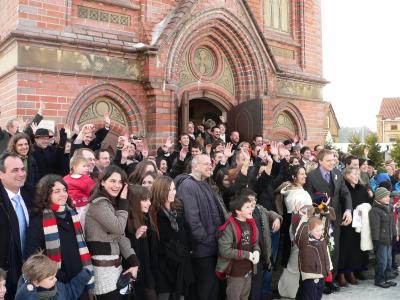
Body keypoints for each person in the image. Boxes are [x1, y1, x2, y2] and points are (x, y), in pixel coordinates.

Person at [26, 175, 93, 300]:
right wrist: (58, 275)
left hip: (79, 278)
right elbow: (34, 256)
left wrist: (84, 274)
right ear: (46, 195)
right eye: (57, 191)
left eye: (64, 190)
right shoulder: (39, 220)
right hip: (57, 283)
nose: (63, 194)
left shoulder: (72, 215)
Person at [85, 166, 139, 299]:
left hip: (115, 267)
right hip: (103, 271)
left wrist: (134, 262)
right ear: (102, 182)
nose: (117, 185)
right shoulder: (98, 203)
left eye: (120, 182)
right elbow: (119, 228)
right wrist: (123, 202)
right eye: (112, 181)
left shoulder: (110, 203)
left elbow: (120, 236)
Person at [175, 154, 225, 300]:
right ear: (195, 166)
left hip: (212, 247)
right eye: (206, 164)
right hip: (201, 250)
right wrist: (210, 241)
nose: (210, 166)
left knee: (213, 289)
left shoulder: (205, 183)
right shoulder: (187, 186)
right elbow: (193, 222)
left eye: (211, 163)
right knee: (205, 290)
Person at [305, 149, 352, 293]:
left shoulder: (338, 173)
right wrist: (321, 205)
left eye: (333, 160)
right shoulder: (311, 176)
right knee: (321, 249)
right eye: (328, 160)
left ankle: (332, 278)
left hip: (335, 218)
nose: (332, 163)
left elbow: (345, 193)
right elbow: (308, 198)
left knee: (334, 249)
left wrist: (348, 210)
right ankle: (321, 281)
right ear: (320, 161)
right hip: (319, 219)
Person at [150, 176, 194, 299]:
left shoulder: (178, 210)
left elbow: (186, 236)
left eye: (173, 189)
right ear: (160, 191)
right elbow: (157, 245)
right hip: (165, 269)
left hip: (182, 265)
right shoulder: (154, 215)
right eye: (168, 190)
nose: (172, 192)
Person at [0, 153, 33, 300]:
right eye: (15, 170)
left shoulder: (32, 194)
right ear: (1, 174)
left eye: (22, 169)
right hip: (6, 273)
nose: (21, 174)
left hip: (32, 269)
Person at [216, 193, 260, 300]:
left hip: (249, 270)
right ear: (238, 211)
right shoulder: (229, 227)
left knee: (244, 297)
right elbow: (225, 250)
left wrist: (257, 251)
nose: (251, 209)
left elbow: (254, 243)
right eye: (247, 207)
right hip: (236, 273)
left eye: (251, 206)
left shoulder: (251, 223)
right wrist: (247, 255)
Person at [278, 165, 312, 298]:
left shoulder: (299, 190)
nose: (305, 176)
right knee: (294, 262)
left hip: (306, 228)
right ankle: (285, 290)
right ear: (294, 177)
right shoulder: (293, 195)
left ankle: (293, 290)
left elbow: (308, 208)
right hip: (299, 230)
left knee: (299, 262)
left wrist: (321, 207)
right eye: (301, 174)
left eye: (305, 173)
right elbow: (297, 214)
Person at [337, 167, 370, 286]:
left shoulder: (361, 188)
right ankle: (341, 274)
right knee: (345, 248)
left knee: (355, 249)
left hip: (359, 224)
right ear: (346, 175)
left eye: (358, 174)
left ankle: (351, 272)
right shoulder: (343, 187)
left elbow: (367, 203)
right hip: (346, 222)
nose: (357, 176)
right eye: (354, 174)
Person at [14, 253, 93, 300]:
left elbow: (70, 291)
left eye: (54, 276)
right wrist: (27, 290)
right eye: (51, 278)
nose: (55, 279)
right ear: (36, 282)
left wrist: (84, 276)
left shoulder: (57, 286)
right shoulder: (28, 296)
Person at [126, 185, 157, 300]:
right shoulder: (126, 221)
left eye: (149, 200)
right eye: (145, 200)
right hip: (136, 275)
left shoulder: (147, 218)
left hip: (148, 272)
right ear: (134, 201)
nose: (149, 203)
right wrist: (135, 237)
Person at [294, 215, 332, 300]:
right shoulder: (305, 242)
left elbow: (325, 225)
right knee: (310, 296)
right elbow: (299, 235)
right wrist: (304, 220)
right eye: (317, 230)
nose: (320, 232)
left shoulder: (322, 239)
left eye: (321, 230)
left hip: (321, 275)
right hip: (310, 276)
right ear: (309, 231)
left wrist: (325, 212)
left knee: (316, 296)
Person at [369, 187, 398, 288]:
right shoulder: (374, 211)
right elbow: (375, 228)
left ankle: (387, 278)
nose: (387, 198)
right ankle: (379, 279)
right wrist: (375, 240)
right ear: (379, 197)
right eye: (385, 196)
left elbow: (393, 224)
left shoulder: (389, 208)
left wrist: (395, 235)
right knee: (382, 261)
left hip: (389, 239)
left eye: (388, 196)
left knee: (389, 261)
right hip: (381, 241)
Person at [63, 155, 95, 229]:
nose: (87, 168)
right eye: (84, 166)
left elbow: (92, 192)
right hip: (69, 206)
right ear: (74, 167)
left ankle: (82, 237)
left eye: (87, 166)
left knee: (82, 225)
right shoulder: (66, 178)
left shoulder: (87, 179)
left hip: (83, 207)